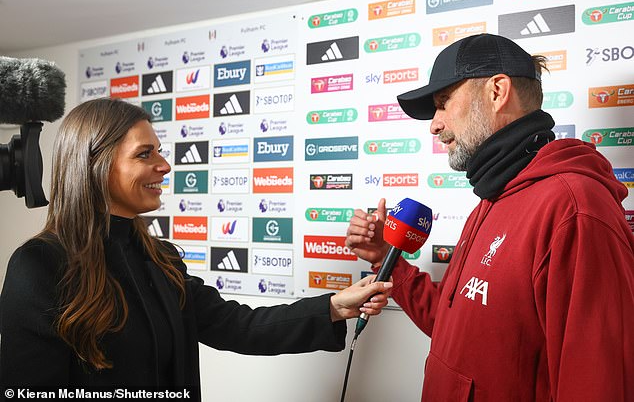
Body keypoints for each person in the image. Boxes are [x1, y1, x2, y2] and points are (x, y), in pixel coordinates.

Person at [0, 98, 392, 399]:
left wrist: (334, 307)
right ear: (95, 164)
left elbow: (236, 326)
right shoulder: (40, 265)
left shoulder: (161, 258)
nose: (165, 166)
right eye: (144, 153)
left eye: (159, 150)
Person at [346, 33, 634, 401]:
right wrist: (386, 260)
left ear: (497, 91)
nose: (433, 125)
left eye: (443, 102)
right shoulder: (490, 200)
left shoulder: (574, 208)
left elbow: (597, 382)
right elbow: (455, 324)